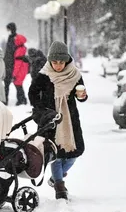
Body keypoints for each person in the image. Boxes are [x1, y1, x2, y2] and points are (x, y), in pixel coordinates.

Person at [28, 41, 88, 200]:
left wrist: (82, 96)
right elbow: (32, 93)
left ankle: (55, 178)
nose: (58, 66)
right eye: (54, 62)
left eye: (61, 62)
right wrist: (42, 110)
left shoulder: (74, 75)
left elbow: (80, 94)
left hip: (70, 119)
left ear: (67, 60)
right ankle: (60, 188)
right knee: (55, 153)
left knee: (74, 153)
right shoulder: (44, 74)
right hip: (51, 119)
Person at [12, 34, 28, 105]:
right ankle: (23, 99)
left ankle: (21, 100)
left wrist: (14, 74)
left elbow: (17, 64)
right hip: (23, 69)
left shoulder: (19, 50)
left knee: (18, 85)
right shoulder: (23, 49)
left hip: (20, 71)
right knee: (19, 85)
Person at [3, 22, 17, 104]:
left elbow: (10, 52)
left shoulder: (12, 38)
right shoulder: (12, 37)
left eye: (8, 29)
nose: (7, 30)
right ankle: (21, 98)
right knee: (13, 82)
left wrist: (6, 61)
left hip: (10, 63)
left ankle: (6, 99)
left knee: (7, 82)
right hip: (10, 63)